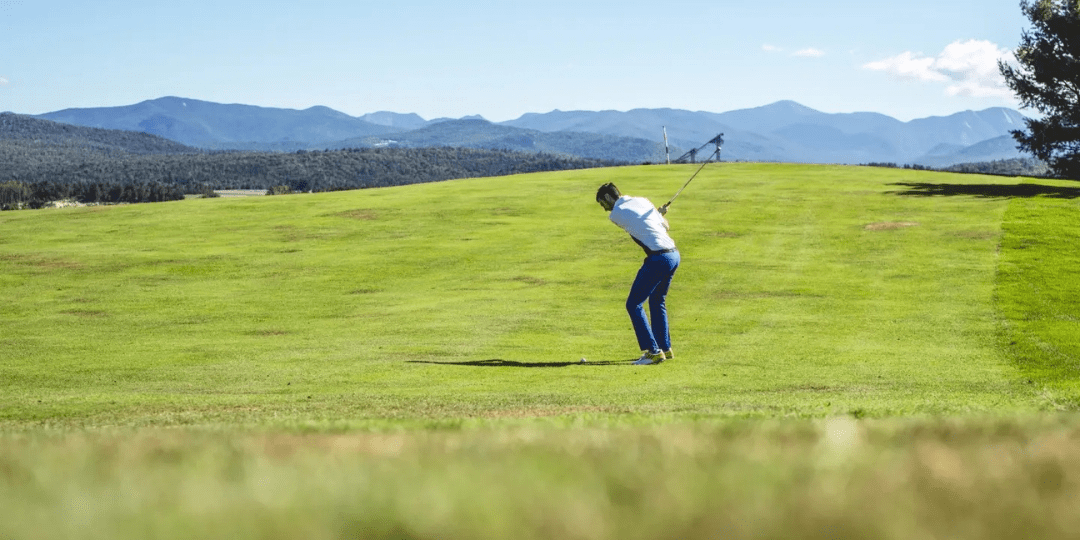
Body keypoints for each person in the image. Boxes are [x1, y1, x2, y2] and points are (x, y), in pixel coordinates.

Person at [596, 182, 680, 365]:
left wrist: (656, 214)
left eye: (603, 203)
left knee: (633, 304)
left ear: (609, 197)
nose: (604, 209)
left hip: (658, 258)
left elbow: (637, 223)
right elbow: (665, 226)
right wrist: (658, 214)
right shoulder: (643, 201)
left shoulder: (615, 215)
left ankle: (653, 351)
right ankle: (665, 348)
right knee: (657, 301)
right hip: (674, 255)